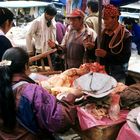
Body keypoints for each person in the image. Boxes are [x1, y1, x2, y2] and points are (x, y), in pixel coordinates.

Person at [0, 47, 83, 140]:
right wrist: (72, 96)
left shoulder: (8, 86)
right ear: (26, 66)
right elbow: (59, 120)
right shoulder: (31, 91)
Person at [93, 4, 132, 83]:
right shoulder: (102, 34)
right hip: (102, 74)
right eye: (103, 19)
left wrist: (106, 55)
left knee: (116, 95)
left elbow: (125, 58)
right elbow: (95, 52)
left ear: (115, 18)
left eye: (106, 19)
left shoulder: (125, 35)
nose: (104, 22)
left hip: (118, 76)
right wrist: (91, 48)